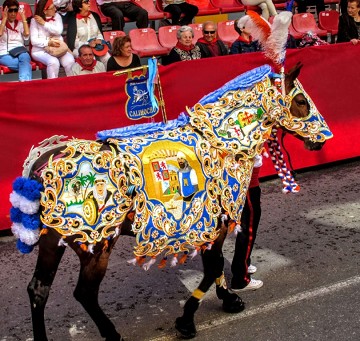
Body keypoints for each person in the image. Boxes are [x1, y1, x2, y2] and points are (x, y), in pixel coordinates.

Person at [231, 155, 264, 292]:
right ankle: (240, 279)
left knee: (249, 226)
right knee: (248, 228)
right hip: (246, 184)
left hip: (248, 181)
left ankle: (243, 264)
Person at [30, 0, 75, 78]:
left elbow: (58, 31)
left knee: (70, 60)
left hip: (58, 48)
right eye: (52, 7)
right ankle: (53, 87)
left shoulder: (57, 16)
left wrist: (44, 23)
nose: (55, 9)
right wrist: (48, 42)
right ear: (45, 11)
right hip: (40, 50)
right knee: (53, 62)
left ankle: (72, 85)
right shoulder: (34, 21)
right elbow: (34, 41)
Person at [67, 0, 110, 65]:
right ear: (80, 7)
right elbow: (73, 43)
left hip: (96, 47)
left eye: (89, 1)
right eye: (86, 2)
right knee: (91, 58)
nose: (89, 3)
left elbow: (99, 33)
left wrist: (99, 40)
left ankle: (105, 75)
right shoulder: (73, 20)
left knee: (107, 58)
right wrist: (88, 44)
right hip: (79, 49)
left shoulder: (95, 16)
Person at [0, 0, 32, 81]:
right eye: (10, 10)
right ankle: (25, 85)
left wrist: (23, 17)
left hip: (19, 51)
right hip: (4, 53)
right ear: (5, 11)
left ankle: (23, 84)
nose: (13, 13)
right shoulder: (1, 23)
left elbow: (27, 34)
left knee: (25, 57)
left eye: (15, 10)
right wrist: (4, 18)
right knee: (26, 65)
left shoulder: (20, 24)